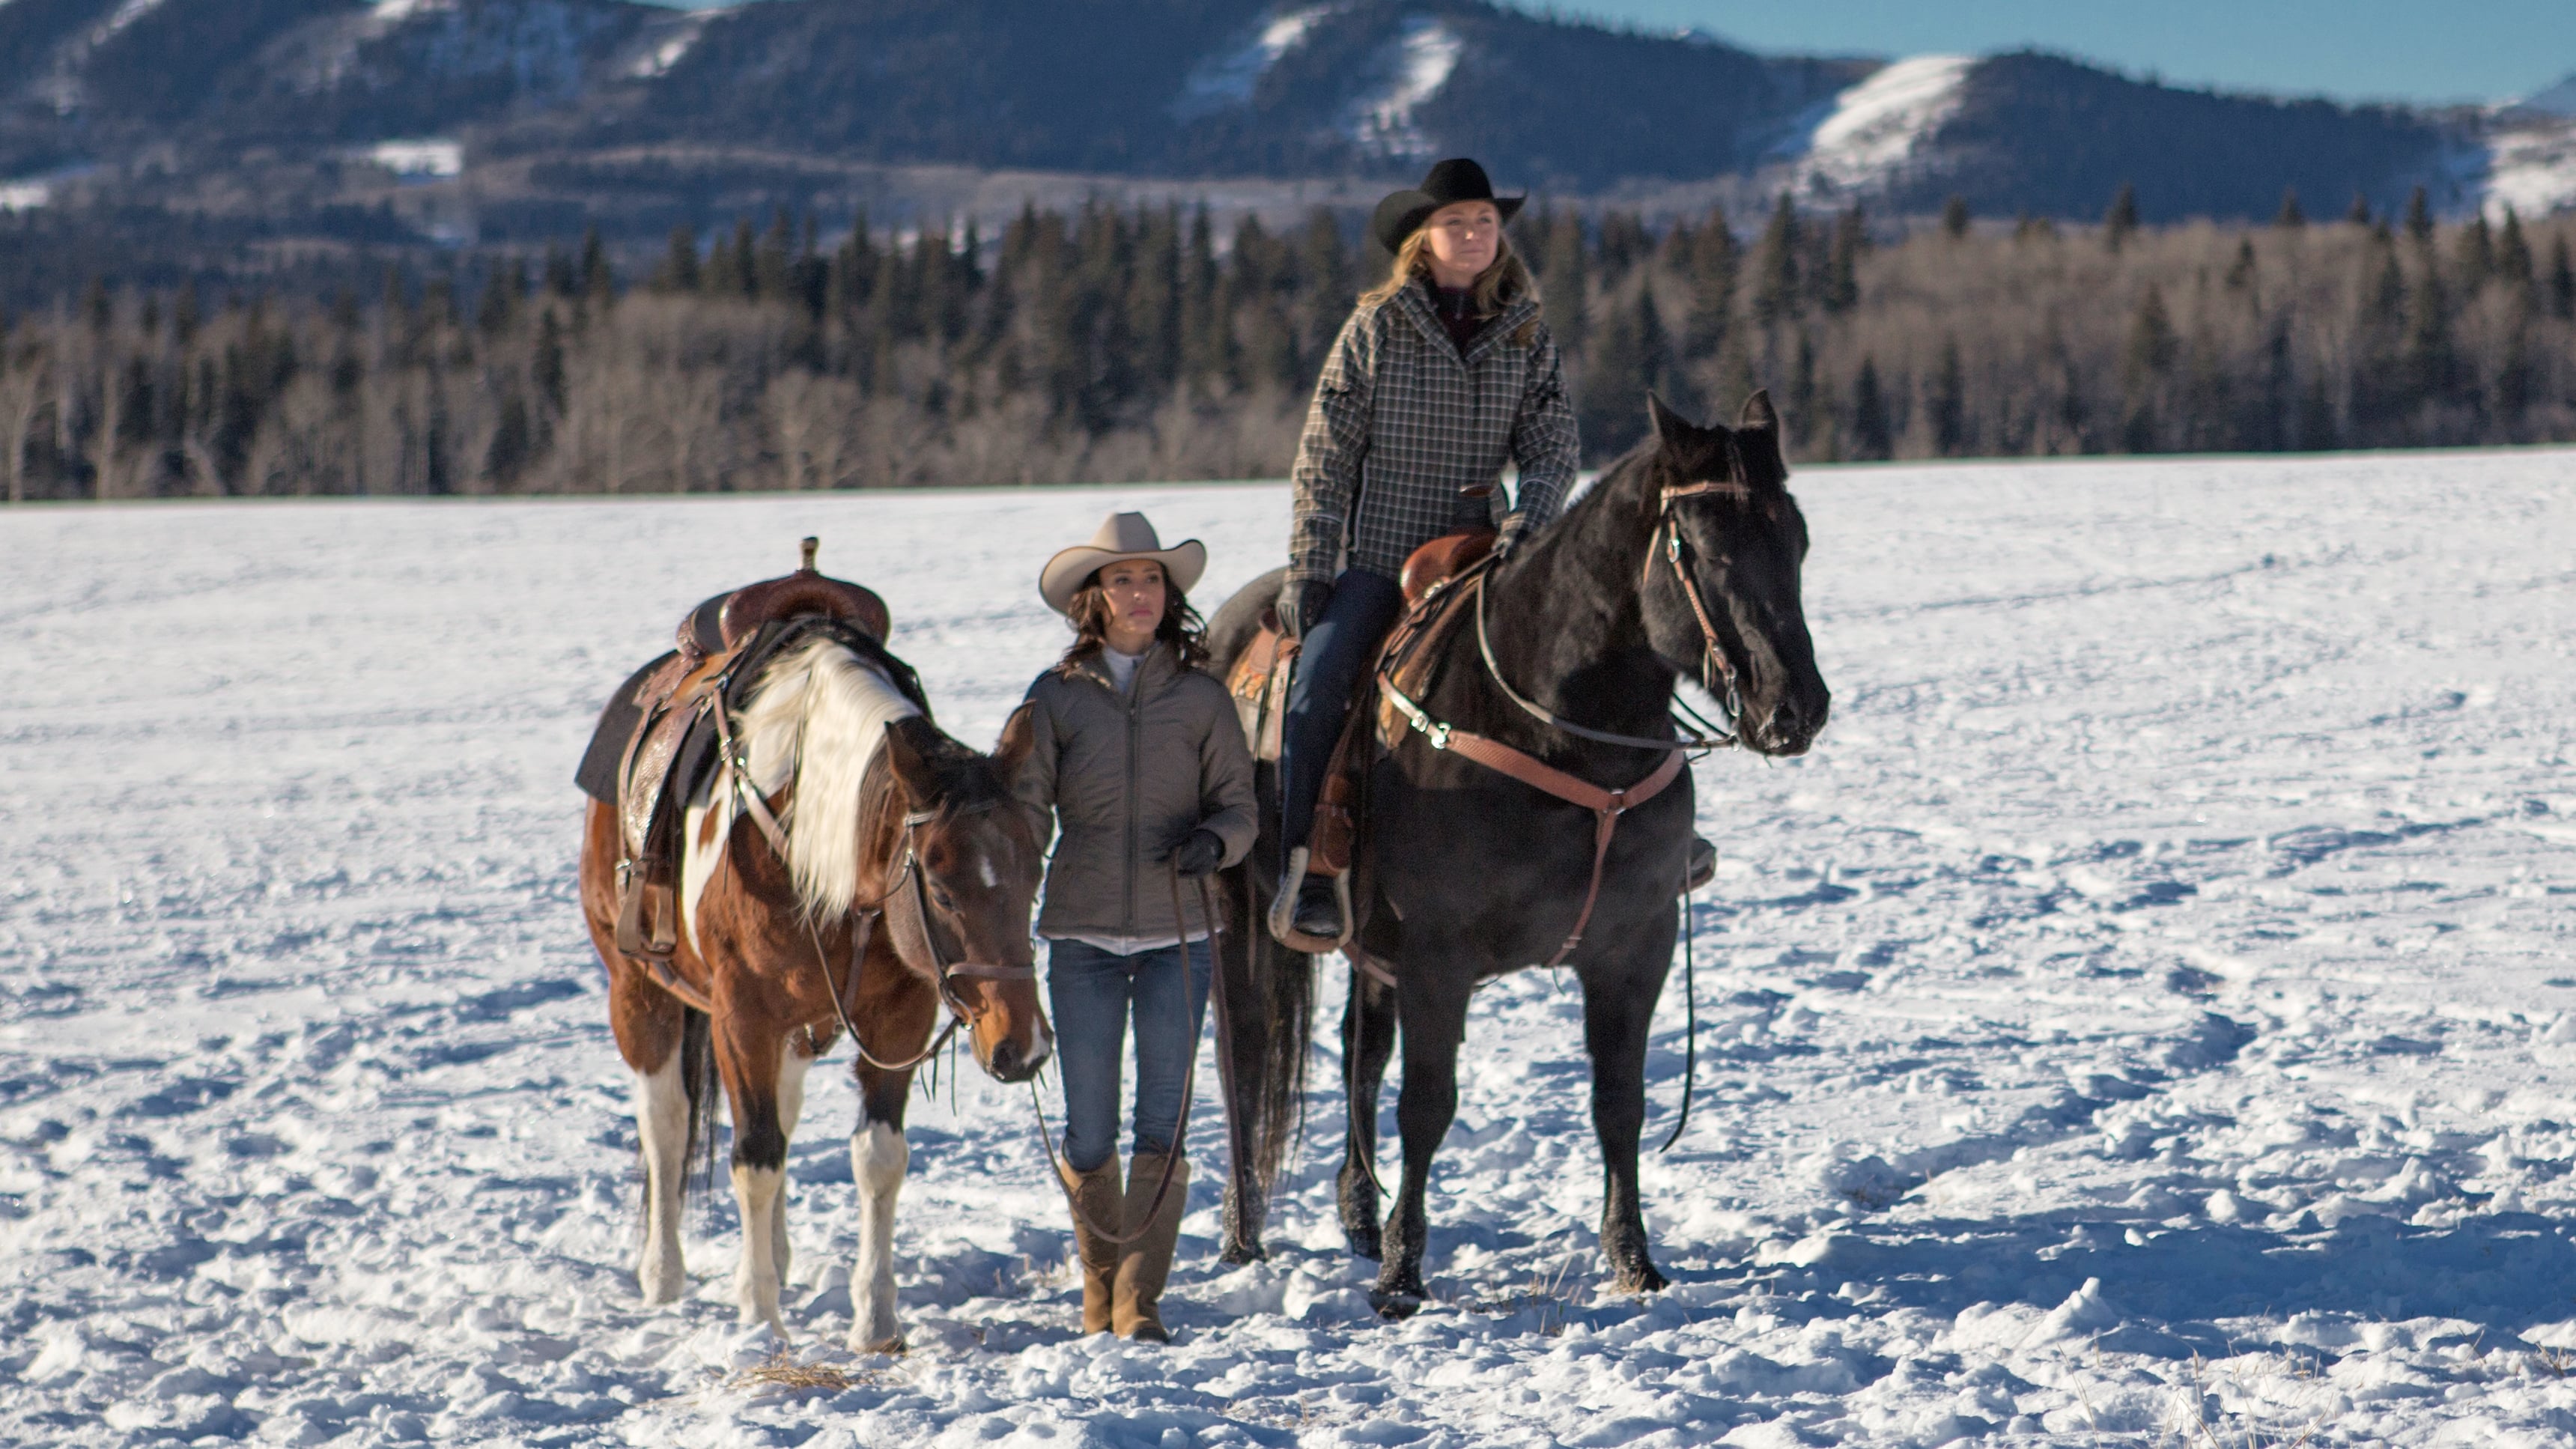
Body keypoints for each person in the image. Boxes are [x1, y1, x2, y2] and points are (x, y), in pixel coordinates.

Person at [1272, 157, 1579, 940]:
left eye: (1483, 221)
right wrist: (1313, 566)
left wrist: (1529, 527)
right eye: (1455, 222)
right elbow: (1325, 456)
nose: (1472, 235)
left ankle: (1619, 839)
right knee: (1314, 690)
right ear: (1422, 238)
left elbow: (1551, 448)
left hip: (1487, 559)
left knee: (1590, 660)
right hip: (1381, 559)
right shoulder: (1375, 328)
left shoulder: (1526, 335)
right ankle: (1305, 866)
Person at [1015, 511, 1256, 1342]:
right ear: (1093, 597)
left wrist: (1215, 841)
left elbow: (1240, 807)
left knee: (1161, 1124)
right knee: (1087, 1128)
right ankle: (1097, 1293)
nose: (1139, 593)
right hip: (1079, 937)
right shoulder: (1053, 699)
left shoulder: (1200, 698)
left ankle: (1137, 1305)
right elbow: (1022, 815)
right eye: (1121, 579)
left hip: (1178, 937)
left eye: (1151, 578)